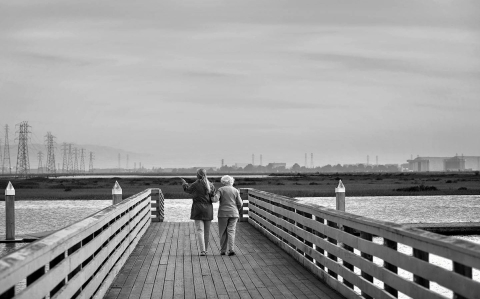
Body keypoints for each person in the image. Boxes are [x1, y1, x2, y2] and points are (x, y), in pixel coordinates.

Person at [180, 169, 215, 256]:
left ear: (198, 175)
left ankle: (203, 250)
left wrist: (184, 183)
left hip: (198, 209)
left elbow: (188, 190)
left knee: (200, 230)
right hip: (208, 210)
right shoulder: (210, 185)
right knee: (206, 231)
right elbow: (213, 196)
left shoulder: (195, 184)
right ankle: (205, 250)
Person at [213, 175, 243, 256]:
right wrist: (238, 210)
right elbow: (240, 203)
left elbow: (215, 200)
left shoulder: (221, 189)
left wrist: (211, 193)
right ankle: (231, 249)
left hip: (223, 213)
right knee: (231, 231)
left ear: (223, 182)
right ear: (231, 181)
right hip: (234, 213)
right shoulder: (235, 190)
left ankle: (223, 250)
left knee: (223, 232)